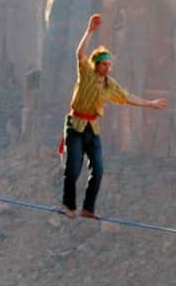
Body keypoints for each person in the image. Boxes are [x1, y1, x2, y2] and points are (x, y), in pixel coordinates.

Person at [59, 13, 167, 219]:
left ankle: (88, 208)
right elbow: (80, 54)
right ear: (97, 64)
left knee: (98, 169)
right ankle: (68, 206)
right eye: (104, 64)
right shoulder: (87, 74)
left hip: (92, 128)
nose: (107, 68)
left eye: (109, 65)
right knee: (73, 168)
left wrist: (150, 104)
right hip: (75, 126)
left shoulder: (110, 84)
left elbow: (126, 97)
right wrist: (89, 31)